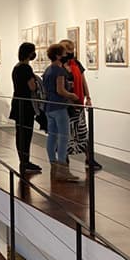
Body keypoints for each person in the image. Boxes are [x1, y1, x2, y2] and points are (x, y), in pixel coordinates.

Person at [59, 38, 103, 171]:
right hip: (65, 105)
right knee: (66, 132)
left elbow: (83, 81)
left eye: (72, 50)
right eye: (68, 51)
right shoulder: (58, 66)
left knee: (83, 131)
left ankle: (89, 158)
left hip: (78, 104)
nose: (71, 53)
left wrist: (88, 97)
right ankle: (64, 158)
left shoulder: (76, 64)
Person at [42, 43, 81, 182]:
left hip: (49, 107)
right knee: (64, 138)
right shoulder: (59, 71)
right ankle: (63, 170)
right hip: (59, 107)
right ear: (58, 56)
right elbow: (60, 90)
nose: (67, 55)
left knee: (52, 137)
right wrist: (73, 96)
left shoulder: (48, 70)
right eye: (64, 53)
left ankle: (53, 166)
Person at [9, 42, 42, 174]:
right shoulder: (26, 68)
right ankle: (25, 161)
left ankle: (23, 160)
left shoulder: (16, 67)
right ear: (29, 53)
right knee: (26, 133)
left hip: (17, 102)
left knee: (20, 133)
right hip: (26, 104)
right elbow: (32, 87)